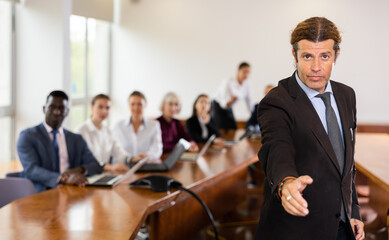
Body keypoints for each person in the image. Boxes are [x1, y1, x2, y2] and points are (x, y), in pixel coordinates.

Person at [255, 17, 365, 240]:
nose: (316, 67)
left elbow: (346, 164)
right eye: (307, 56)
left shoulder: (347, 96)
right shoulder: (277, 101)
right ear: (294, 55)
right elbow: (277, 148)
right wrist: (286, 183)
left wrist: (352, 212)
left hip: (343, 228)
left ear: (336, 56)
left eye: (324, 56)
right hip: (297, 230)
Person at [17, 91, 102, 192]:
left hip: (72, 192)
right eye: (52, 107)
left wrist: (77, 171)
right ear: (44, 109)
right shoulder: (28, 136)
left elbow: (95, 165)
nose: (56, 112)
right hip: (41, 192)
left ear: (67, 112)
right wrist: (63, 178)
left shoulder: (76, 139)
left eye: (61, 109)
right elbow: (31, 170)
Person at [76, 94, 130, 172]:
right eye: (100, 107)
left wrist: (132, 159)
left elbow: (119, 153)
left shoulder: (108, 130)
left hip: (105, 174)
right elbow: (90, 160)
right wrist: (111, 167)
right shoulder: (81, 130)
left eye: (107, 108)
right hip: (89, 175)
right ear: (92, 107)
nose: (104, 111)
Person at [112, 91, 163, 162]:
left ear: (145, 105)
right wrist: (130, 159)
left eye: (139, 104)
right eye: (132, 104)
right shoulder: (118, 126)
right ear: (129, 106)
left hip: (145, 164)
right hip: (124, 166)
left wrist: (148, 156)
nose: (136, 108)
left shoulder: (154, 125)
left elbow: (157, 149)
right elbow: (116, 151)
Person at [211, 62, 254, 130]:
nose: (246, 74)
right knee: (220, 129)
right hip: (218, 106)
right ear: (238, 71)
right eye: (244, 72)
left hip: (229, 106)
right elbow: (223, 104)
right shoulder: (228, 82)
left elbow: (249, 103)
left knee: (233, 128)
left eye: (248, 72)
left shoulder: (247, 84)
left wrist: (255, 115)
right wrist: (232, 100)